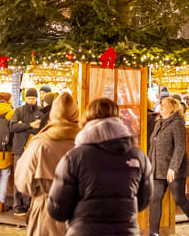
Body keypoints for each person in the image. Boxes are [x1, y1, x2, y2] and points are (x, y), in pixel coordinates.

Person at [47, 97, 151, 236]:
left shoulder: (74, 157)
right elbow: (143, 202)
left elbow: (57, 210)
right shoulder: (138, 156)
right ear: (118, 118)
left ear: (86, 119)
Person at [15, 92, 80, 236]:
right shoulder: (86, 143)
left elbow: (22, 182)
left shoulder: (40, 144)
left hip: (46, 212)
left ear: (53, 114)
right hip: (81, 215)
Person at [147, 96, 189, 236]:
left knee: (179, 199)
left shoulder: (178, 123)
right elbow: (153, 147)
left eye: (165, 104)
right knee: (155, 198)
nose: (161, 106)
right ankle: (153, 233)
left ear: (173, 107)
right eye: (161, 104)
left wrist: (173, 168)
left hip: (174, 169)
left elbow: (180, 148)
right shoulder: (158, 122)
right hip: (158, 168)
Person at [9, 87, 43, 216]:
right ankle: (17, 205)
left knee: (31, 176)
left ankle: (28, 204)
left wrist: (23, 125)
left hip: (34, 148)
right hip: (19, 148)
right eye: (29, 98)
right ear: (25, 98)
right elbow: (12, 127)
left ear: (36, 99)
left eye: (33, 98)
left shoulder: (40, 112)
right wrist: (30, 125)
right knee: (19, 175)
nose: (30, 100)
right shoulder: (18, 111)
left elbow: (41, 128)